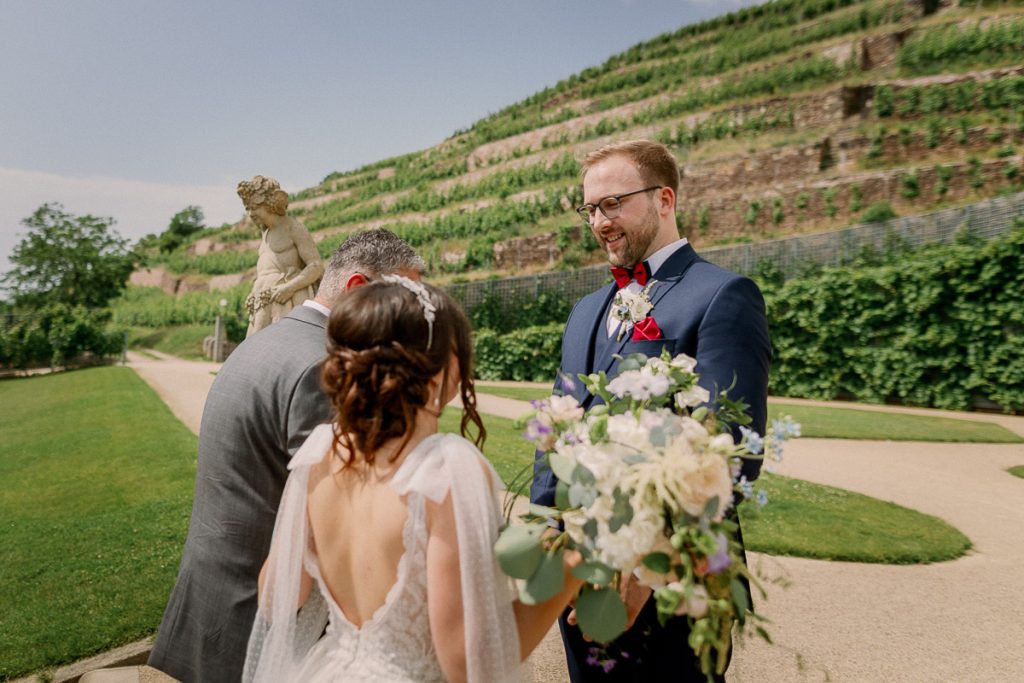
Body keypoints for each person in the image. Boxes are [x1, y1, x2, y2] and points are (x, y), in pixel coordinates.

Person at [243, 277, 583, 682]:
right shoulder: (442, 471)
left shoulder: (320, 453)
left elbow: (277, 597)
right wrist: (572, 571)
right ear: (445, 368)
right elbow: (466, 664)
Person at [530, 140, 771, 682]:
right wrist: (546, 538)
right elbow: (557, 425)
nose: (599, 222)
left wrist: (643, 570)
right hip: (580, 576)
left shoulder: (723, 295)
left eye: (613, 203)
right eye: (590, 208)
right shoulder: (585, 310)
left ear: (665, 198)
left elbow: (727, 449)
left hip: (669, 586)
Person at [149, 229, 426, 683]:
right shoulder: (327, 367)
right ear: (358, 289)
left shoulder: (265, 342)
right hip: (264, 623)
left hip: (215, 596)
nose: (412, 322)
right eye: (406, 302)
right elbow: (339, 519)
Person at [237, 175, 324, 337]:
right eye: (247, 208)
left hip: (286, 302)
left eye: (254, 207)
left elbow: (316, 265)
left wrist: (289, 288)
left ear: (269, 204)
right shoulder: (265, 234)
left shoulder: (293, 228)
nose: (250, 214)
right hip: (263, 304)